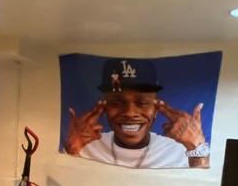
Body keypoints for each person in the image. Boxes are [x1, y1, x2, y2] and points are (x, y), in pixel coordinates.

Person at [64, 58, 210, 169]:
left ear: (156, 109)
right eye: (117, 103)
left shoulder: (179, 150)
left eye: (142, 103)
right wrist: (72, 150)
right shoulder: (85, 147)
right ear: (105, 107)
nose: (130, 113)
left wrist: (195, 148)